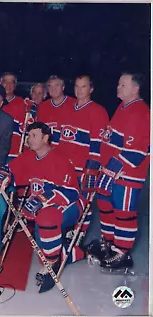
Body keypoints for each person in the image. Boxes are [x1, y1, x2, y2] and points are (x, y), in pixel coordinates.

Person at [0, 122, 84, 293]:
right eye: (28, 135)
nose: (28, 139)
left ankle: (52, 265)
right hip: (42, 209)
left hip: (70, 205)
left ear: (45, 137)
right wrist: (2, 175)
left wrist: (43, 198)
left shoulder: (60, 159)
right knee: (44, 245)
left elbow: (72, 192)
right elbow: (10, 169)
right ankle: (77, 252)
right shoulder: (28, 156)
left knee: (46, 221)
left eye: (33, 135)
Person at [84, 72, 150, 272]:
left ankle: (122, 252)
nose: (118, 87)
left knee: (123, 213)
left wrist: (113, 169)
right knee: (106, 208)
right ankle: (109, 245)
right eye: (118, 84)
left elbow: (139, 148)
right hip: (111, 172)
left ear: (135, 88)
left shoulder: (141, 112)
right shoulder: (123, 108)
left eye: (122, 85)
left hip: (127, 175)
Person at [55, 75, 109, 245]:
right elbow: (59, 138)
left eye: (83, 86)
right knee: (68, 199)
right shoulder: (68, 108)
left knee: (84, 201)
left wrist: (92, 167)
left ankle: (80, 233)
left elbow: (97, 144)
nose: (79, 90)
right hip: (66, 167)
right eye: (77, 86)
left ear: (91, 89)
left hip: (83, 168)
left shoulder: (97, 111)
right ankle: (70, 230)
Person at [0, 72, 36, 161]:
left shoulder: (23, 105)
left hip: (14, 155)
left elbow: (28, 132)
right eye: (5, 81)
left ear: (15, 85)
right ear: (0, 83)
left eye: (11, 82)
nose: (8, 85)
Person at [36, 75, 77, 145]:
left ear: (63, 87)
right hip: (48, 151)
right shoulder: (42, 107)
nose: (53, 89)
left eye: (56, 85)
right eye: (50, 86)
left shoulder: (75, 105)